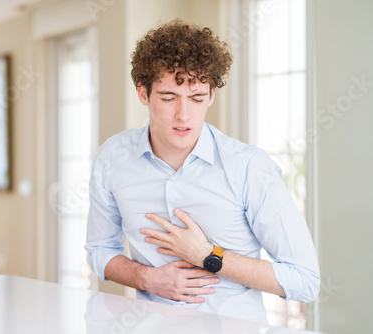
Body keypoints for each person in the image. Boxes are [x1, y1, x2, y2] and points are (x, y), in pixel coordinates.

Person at [85, 19, 320, 323]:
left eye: (197, 98)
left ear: (210, 95)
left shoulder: (249, 167)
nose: (184, 114)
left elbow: (305, 280)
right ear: (144, 94)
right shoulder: (112, 159)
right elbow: (99, 249)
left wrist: (209, 256)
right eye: (169, 98)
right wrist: (147, 278)